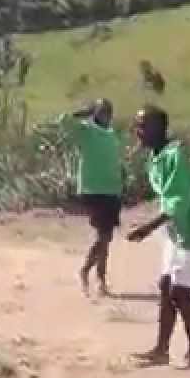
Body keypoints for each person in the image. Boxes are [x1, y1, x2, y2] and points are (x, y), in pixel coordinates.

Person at [125, 106, 190, 369]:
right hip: (178, 233)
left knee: (179, 292)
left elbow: (179, 201)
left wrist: (148, 228)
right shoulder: (157, 156)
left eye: (143, 126)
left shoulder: (175, 155)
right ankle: (161, 349)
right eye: (136, 126)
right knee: (166, 286)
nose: (138, 131)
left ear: (159, 128)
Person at [58, 99, 125, 297]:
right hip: (93, 189)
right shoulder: (86, 131)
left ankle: (101, 279)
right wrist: (83, 112)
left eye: (108, 111)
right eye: (102, 111)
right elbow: (64, 121)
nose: (106, 114)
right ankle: (86, 271)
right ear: (95, 113)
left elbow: (114, 160)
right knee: (103, 236)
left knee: (106, 237)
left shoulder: (112, 135)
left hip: (112, 190)